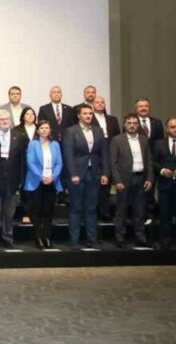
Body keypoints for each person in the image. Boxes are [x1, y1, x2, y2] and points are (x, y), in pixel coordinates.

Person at [62, 104, 110, 249]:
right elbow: (68, 155)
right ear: (79, 115)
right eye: (85, 113)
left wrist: (105, 173)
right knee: (76, 208)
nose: (88, 116)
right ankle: (74, 241)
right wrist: (73, 174)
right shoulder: (71, 131)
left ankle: (92, 239)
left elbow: (104, 154)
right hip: (77, 174)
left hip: (94, 174)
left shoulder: (98, 130)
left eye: (90, 113)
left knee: (91, 208)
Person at [110, 114, 154, 248]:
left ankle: (140, 238)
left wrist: (149, 178)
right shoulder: (117, 140)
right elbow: (113, 162)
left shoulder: (143, 139)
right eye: (129, 123)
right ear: (124, 125)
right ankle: (120, 238)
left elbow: (149, 160)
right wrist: (117, 181)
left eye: (135, 123)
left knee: (139, 211)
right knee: (121, 210)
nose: (132, 125)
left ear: (138, 125)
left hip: (140, 178)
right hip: (123, 179)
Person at [0, 110, 26, 248]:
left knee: (9, 212)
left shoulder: (18, 136)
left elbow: (22, 160)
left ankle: (8, 238)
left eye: (7, 119)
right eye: (1, 119)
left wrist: (21, 180)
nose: (4, 121)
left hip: (12, 181)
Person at [24, 120, 63, 249]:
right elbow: (31, 163)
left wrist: (53, 177)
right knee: (36, 211)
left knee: (48, 211)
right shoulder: (33, 144)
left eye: (47, 128)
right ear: (38, 130)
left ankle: (47, 237)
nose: (44, 130)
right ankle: (38, 238)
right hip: (36, 182)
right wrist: (41, 177)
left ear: (50, 130)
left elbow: (59, 163)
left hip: (52, 181)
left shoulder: (55, 144)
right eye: (42, 128)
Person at [153, 117, 176, 249]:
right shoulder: (158, 143)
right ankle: (166, 241)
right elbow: (153, 161)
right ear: (167, 129)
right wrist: (162, 170)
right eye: (173, 127)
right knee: (165, 214)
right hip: (165, 185)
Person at [15, 107, 39, 225]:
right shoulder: (17, 129)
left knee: (37, 189)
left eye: (32, 114)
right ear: (23, 116)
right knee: (25, 188)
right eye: (27, 114)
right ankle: (25, 213)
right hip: (22, 162)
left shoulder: (40, 128)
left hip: (38, 163)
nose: (30, 116)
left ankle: (35, 213)